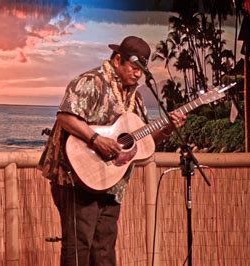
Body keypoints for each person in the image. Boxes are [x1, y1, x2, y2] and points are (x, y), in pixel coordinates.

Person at [38, 36, 186, 266]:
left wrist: (167, 128)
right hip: (76, 178)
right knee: (79, 248)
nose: (138, 74)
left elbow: (142, 138)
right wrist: (96, 139)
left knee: (104, 250)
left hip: (111, 181)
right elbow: (65, 117)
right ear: (118, 59)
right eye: (134, 67)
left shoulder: (134, 98)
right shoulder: (91, 82)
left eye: (142, 71)